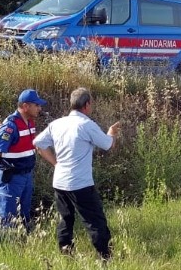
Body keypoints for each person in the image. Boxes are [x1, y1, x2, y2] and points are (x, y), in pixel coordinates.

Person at [33, 87, 121, 259]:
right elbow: (108, 145)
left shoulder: (56, 124)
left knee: (66, 220)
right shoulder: (86, 125)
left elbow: (38, 143)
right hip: (80, 183)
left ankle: (66, 254)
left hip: (60, 182)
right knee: (95, 221)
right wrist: (112, 133)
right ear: (87, 105)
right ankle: (106, 257)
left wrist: (55, 163)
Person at [0, 89, 46, 231]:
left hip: (26, 175)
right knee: (8, 217)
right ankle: (7, 245)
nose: (39, 108)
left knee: (24, 213)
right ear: (25, 106)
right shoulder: (10, 126)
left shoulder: (30, 122)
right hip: (12, 177)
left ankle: (24, 243)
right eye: (36, 105)